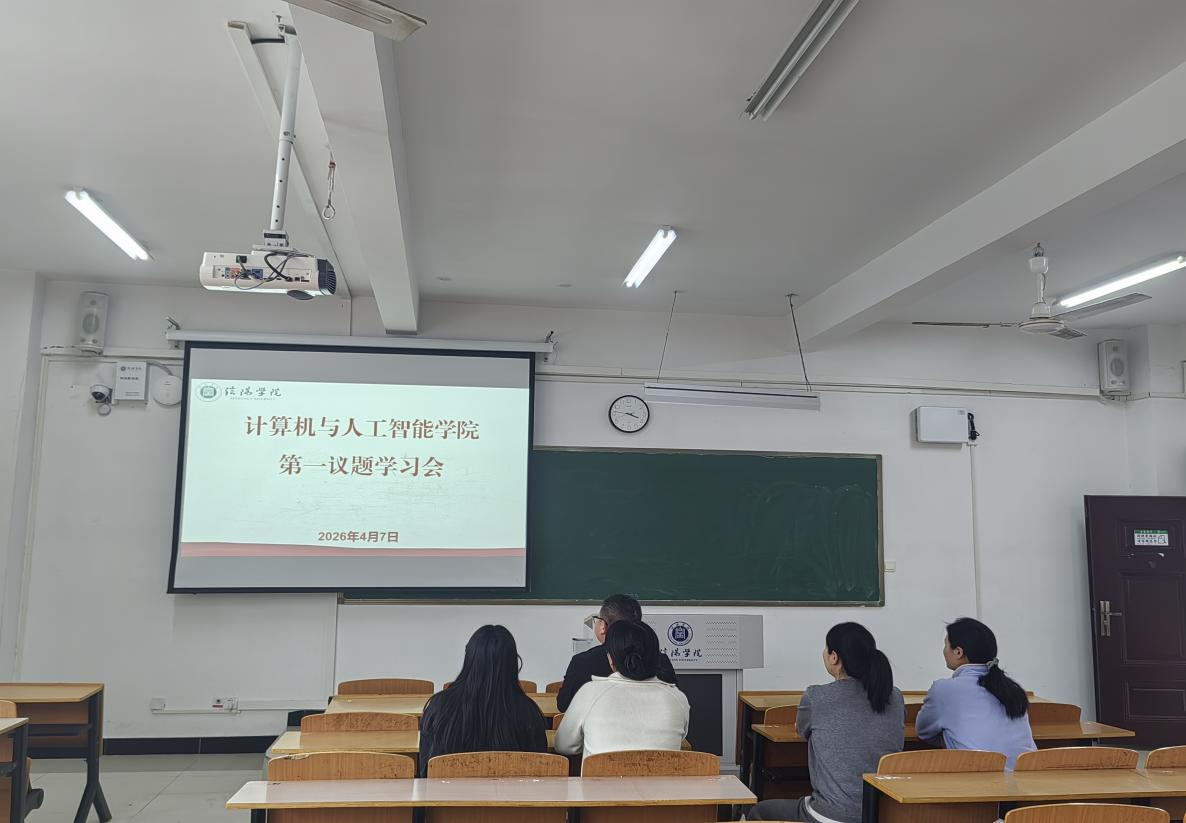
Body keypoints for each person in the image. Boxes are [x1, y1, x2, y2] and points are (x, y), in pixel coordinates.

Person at [748, 622, 904, 823]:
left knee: (759, 811)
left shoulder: (816, 696)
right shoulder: (894, 696)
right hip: (883, 813)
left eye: (826, 648)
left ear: (834, 657)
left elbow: (802, 730)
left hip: (832, 815)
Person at [417, 625, 547, 776]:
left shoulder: (439, 707)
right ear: (512, 662)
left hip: (449, 791)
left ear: (469, 658)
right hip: (510, 791)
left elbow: (425, 772)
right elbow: (541, 770)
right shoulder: (529, 712)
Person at [555, 620, 689, 758]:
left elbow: (563, 745)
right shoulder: (678, 698)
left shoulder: (590, 693)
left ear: (611, 660)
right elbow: (680, 739)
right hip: (662, 772)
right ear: (656, 657)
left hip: (602, 772)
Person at [915, 616, 1035, 770]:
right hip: (1027, 776)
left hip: (982, 778)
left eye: (946, 645)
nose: (944, 650)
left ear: (958, 652)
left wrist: (949, 739)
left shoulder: (944, 690)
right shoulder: (1012, 690)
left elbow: (924, 732)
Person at [556, 593, 677, 711]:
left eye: (597, 619)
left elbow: (564, 705)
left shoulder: (582, 662)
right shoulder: (661, 660)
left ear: (603, 626)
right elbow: (674, 704)